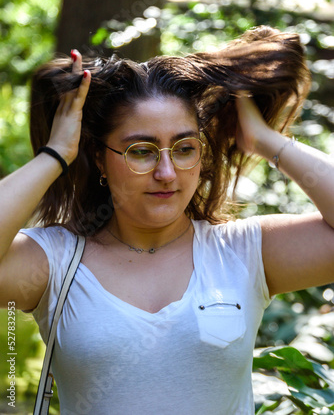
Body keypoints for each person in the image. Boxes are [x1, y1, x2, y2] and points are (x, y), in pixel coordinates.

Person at [0, 25, 333, 415]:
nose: (167, 172)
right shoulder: (56, 261)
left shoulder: (242, 252)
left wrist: (263, 139)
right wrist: (56, 154)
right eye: (141, 151)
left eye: (184, 148)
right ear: (99, 158)